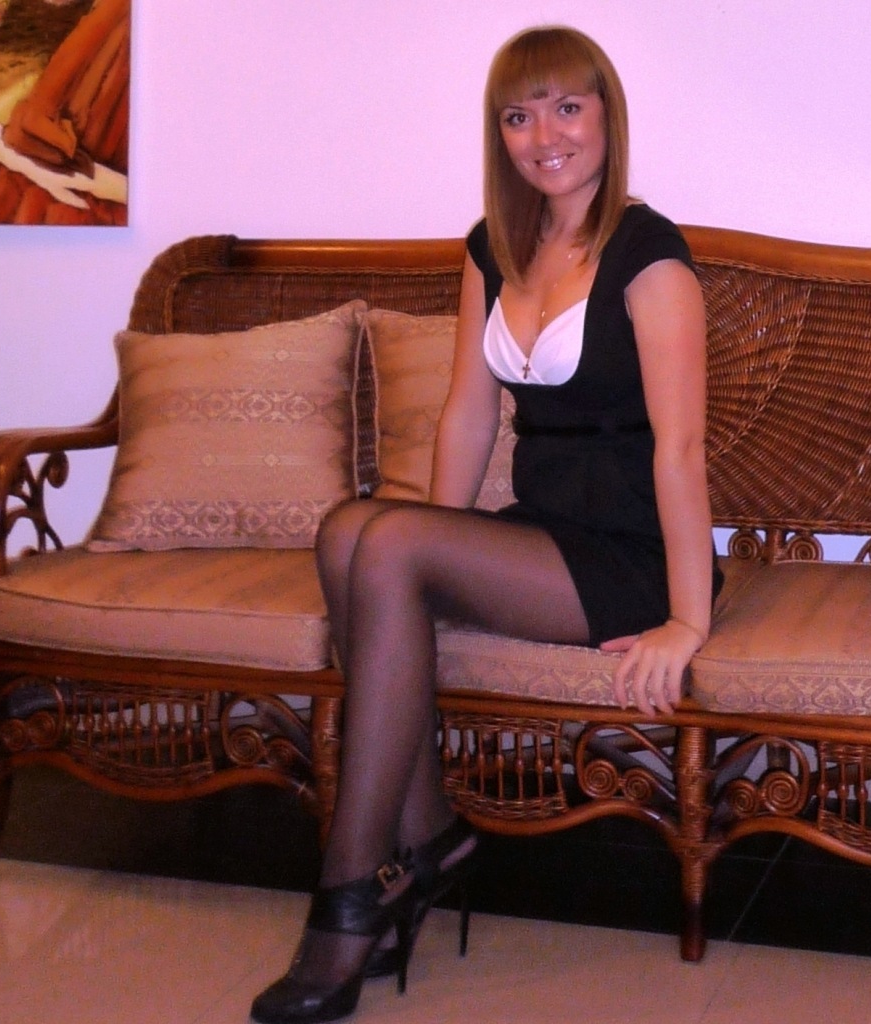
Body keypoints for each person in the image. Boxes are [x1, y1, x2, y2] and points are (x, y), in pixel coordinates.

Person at [250, 24, 720, 1024]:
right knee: (352, 535)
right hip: (543, 531)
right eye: (519, 116)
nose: (545, 136)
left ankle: (351, 893)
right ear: (498, 133)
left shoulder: (651, 258)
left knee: (383, 541)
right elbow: (468, 411)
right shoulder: (492, 247)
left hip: (630, 556)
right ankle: (427, 838)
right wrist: (421, 561)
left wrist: (688, 621)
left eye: (567, 108)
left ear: (607, 116)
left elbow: (682, 450)